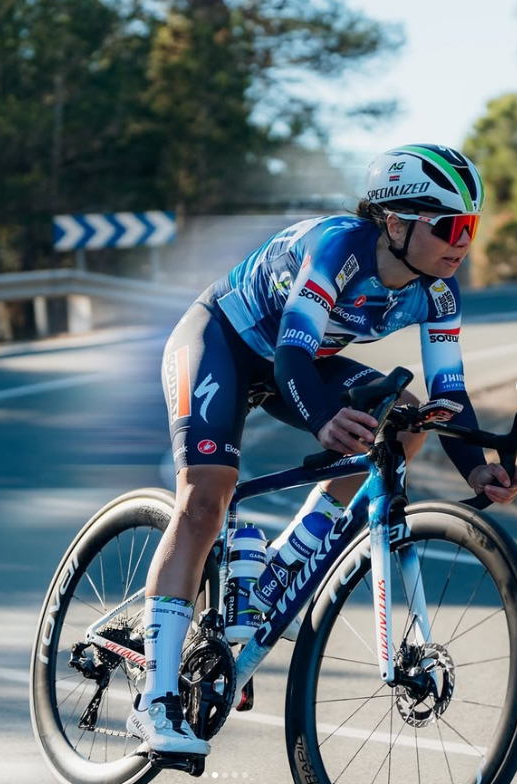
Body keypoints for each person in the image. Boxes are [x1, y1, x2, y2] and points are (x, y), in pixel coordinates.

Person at [127, 143, 517, 755]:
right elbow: (291, 355)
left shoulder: (438, 290)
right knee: (206, 497)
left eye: (471, 225)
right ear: (395, 221)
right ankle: (155, 701)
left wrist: (480, 469)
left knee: (406, 420)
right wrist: (324, 423)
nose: (462, 241)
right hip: (224, 341)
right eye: (449, 225)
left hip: (302, 363)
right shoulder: (339, 248)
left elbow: (451, 393)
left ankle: (292, 554)